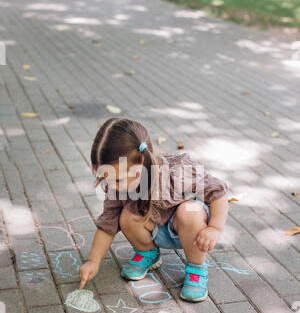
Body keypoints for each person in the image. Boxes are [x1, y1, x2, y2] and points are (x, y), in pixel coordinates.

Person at [79, 118, 229, 302]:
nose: (113, 186)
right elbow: (108, 224)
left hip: (191, 230)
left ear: (141, 162)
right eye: (107, 179)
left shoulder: (178, 170)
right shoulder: (117, 185)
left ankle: (196, 268)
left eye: (118, 180)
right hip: (155, 229)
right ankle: (147, 253)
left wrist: (214, 228)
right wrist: (93, 261)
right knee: (125, 216)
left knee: (189, 211)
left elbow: (218, 192)